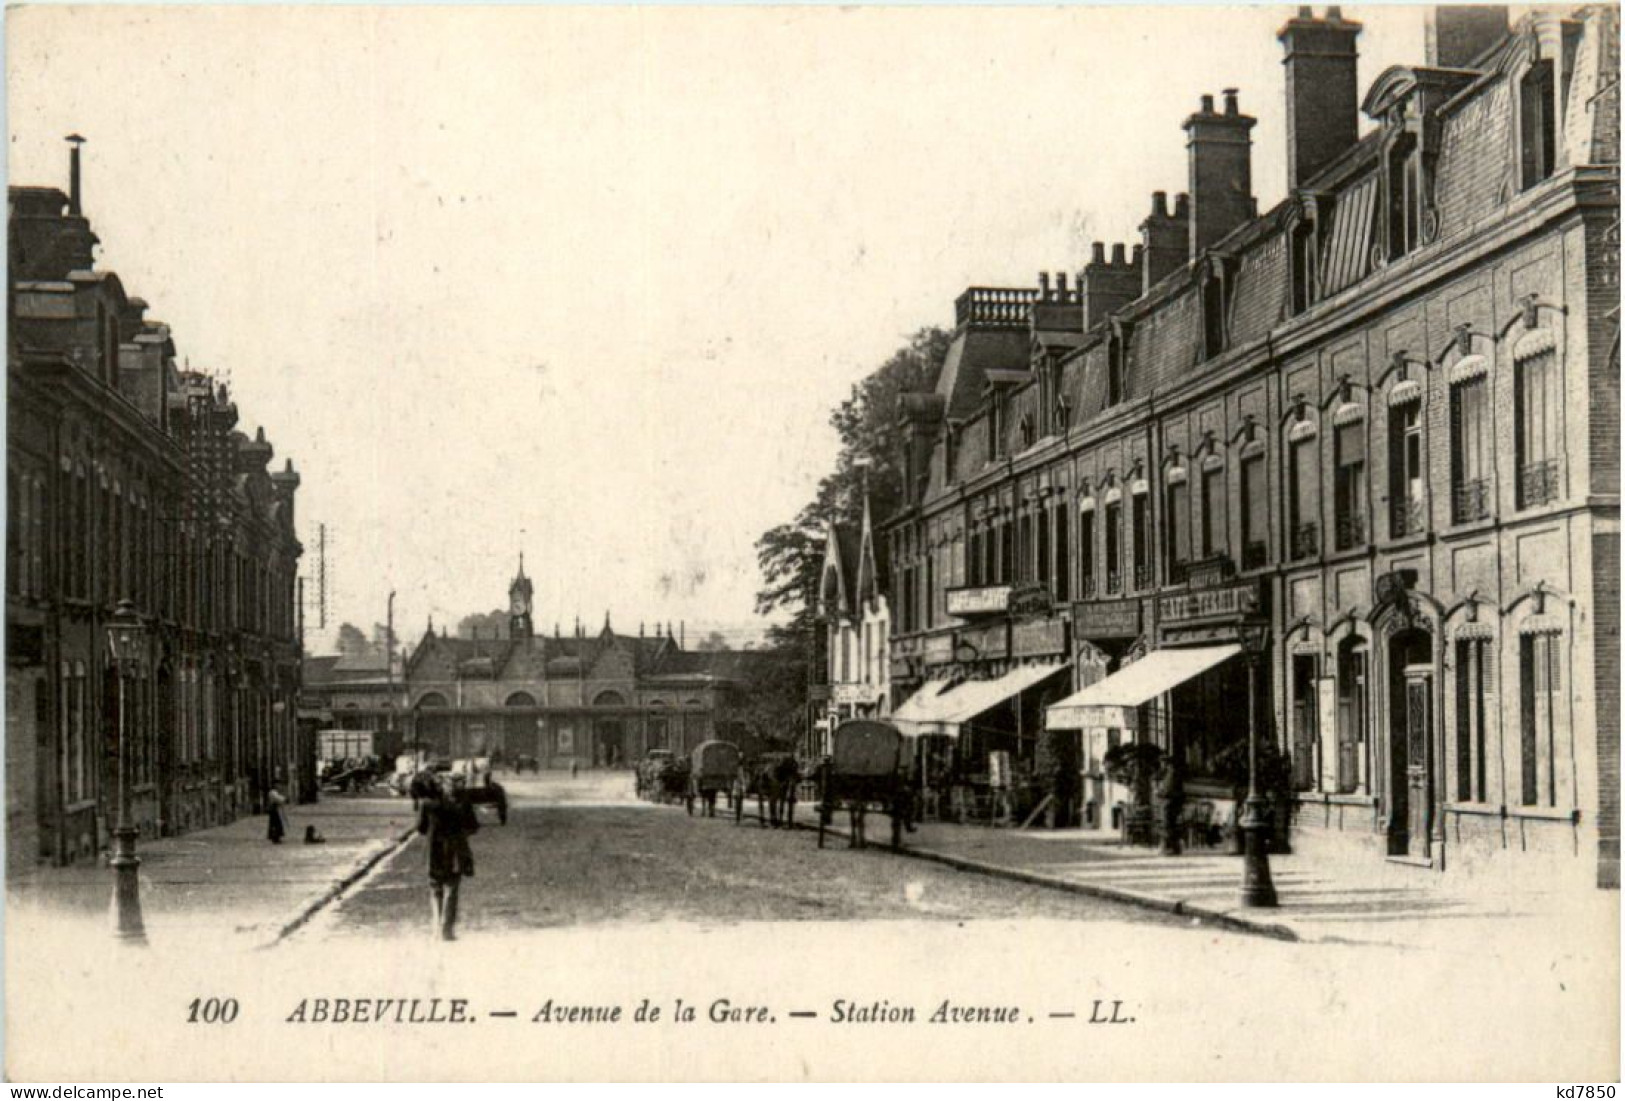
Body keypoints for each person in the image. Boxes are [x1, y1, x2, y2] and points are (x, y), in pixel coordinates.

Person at [414, 773, 479, 941]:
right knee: (452, 888)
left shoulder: (427, 804)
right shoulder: (463, 804)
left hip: (434, 850)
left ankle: (436, 927)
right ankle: (446, 929)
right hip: (456, 849)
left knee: (435, 889)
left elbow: (420, 828)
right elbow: (473, 827)